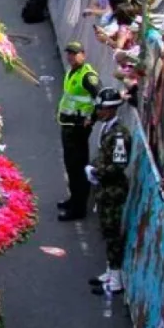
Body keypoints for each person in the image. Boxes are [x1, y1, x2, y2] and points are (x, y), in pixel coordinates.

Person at [86, 88, 129, 295]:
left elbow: (119, 165)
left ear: (111, 110)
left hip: (113, 190)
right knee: (106, 230)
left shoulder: (119, 135)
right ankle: (110, 271)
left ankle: (116, 278)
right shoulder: (107, 129)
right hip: (105, 188)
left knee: (112, 233)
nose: (99, 112)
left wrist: (97, 171)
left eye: (102, 108)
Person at [57, 41, 100, 221]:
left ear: (83, 54)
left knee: (77, 168)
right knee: (70, 166)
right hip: (68, 125)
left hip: (78, 128)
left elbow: (100, 97)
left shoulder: (87, 76)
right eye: (69, 53)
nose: (71, 56)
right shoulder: (72, 71)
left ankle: (78, 208)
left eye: (74, 54)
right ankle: (74, 199)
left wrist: (92, 118)